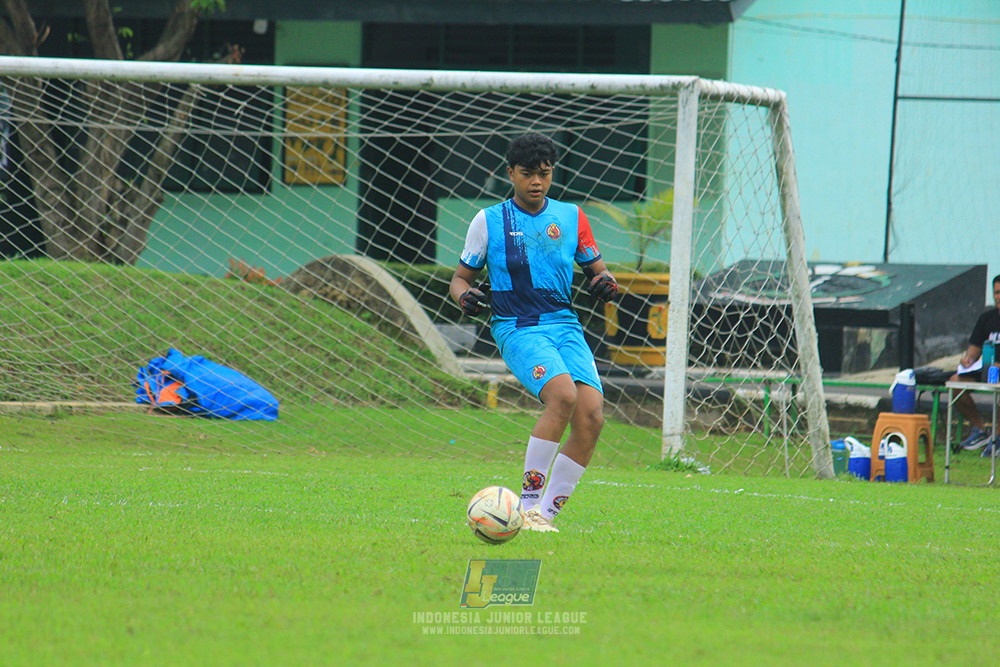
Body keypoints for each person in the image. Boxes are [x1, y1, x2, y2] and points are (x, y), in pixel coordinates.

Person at [449, 133, 618, 533]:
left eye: (544, 174)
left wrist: (606, 283)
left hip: (565, 325)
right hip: (518, 326)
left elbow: (600, 272)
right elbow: (459, 278)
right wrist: (465, 297)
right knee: (562, 396)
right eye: (527, 174)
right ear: (510, 173)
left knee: (591, 416)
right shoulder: (488, 221)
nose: (536, 182)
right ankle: (524, 509)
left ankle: (545, 516)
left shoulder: (572, 217)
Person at [951, 274, 1000, 455]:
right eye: (996, 292)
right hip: (986, 369)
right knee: (955, 381)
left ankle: (997, 437)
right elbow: (974, 349)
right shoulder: (986, 318)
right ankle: (979, 429)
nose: (998, 297)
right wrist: (967, 361)